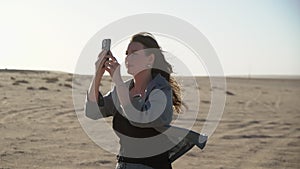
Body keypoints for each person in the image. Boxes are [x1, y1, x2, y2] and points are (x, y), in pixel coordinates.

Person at [85, 32, 207, 169]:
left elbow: (140, 119)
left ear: (150, 59)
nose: (128, 58)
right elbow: (92, 111)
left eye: (134, 53)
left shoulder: (161, 90)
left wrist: (118, 81)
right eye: (127, 53)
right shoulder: (124, 89)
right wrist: (98, 74)